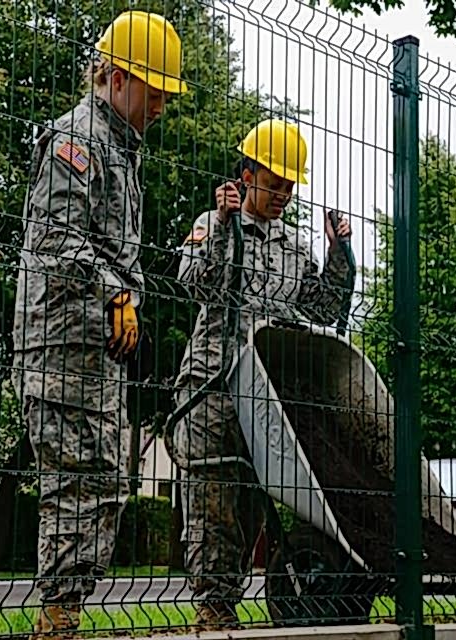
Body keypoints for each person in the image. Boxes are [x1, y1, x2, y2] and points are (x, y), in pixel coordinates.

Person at [11, 11, 187, 639]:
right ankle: (57, 620)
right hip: (60, 342)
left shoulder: (121, 150)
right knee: (74, 482)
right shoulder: (76, 142)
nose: (164, 102)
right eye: (156, 88)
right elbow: (56, 235)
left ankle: (67, 614)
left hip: (96, 349)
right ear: (117, 78)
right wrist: (116, 292)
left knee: (108, 480)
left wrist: (122, 298)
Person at [171, 119, 355, 628]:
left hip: (268, 390)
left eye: (290, 186)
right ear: (248, 174)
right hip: (212, 385)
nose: (284, 194)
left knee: (253, 499)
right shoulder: (214, 222)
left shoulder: (295, 247)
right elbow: (194, 283)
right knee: (213, 502)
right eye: (275, 183)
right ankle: (213, 610)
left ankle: (230, 603)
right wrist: (225, 231)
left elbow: (320, 308)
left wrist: (338, 256)